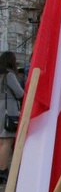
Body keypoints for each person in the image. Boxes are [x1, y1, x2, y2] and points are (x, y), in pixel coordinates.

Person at [0, 51, 23, 183]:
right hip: (8, 111)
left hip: (1, 109)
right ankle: (2, 171)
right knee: (7, 142)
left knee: (1, 142)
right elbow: (19, 93)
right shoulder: (9, 75)